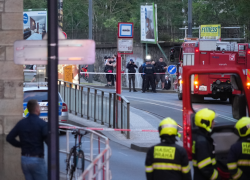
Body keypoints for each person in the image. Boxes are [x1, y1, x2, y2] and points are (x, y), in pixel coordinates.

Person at [6, 100, 48, 180]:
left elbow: (9, 138)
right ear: (36, 109)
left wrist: (21, 144)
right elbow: (48, 139)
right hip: (37, 159)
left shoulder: (21, 123)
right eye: (39, 108)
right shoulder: (42, 123)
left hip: (24, 159)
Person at [192, 108, 220, 180]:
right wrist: (217, 177)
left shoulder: (201, 138)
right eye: (212, 121)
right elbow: (206, 168)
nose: (214, 123)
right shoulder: (202, 142)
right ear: (206, 123)